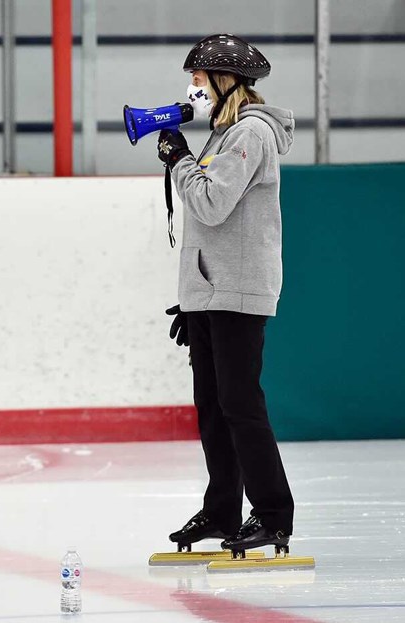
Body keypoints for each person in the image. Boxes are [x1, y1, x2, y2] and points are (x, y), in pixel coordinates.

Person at [156, 34, 296, 553]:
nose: (192, 87)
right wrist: (192, 295)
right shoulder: (223, 134)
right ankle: (221, 513)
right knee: (214, 407)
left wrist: (178, 160)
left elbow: (212, 203)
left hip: (238, 292)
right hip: (213, 292)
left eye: (198, 77)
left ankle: (274, 515)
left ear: (224, 79)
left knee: (240, 404)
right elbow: (213, 224)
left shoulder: (250, 134)